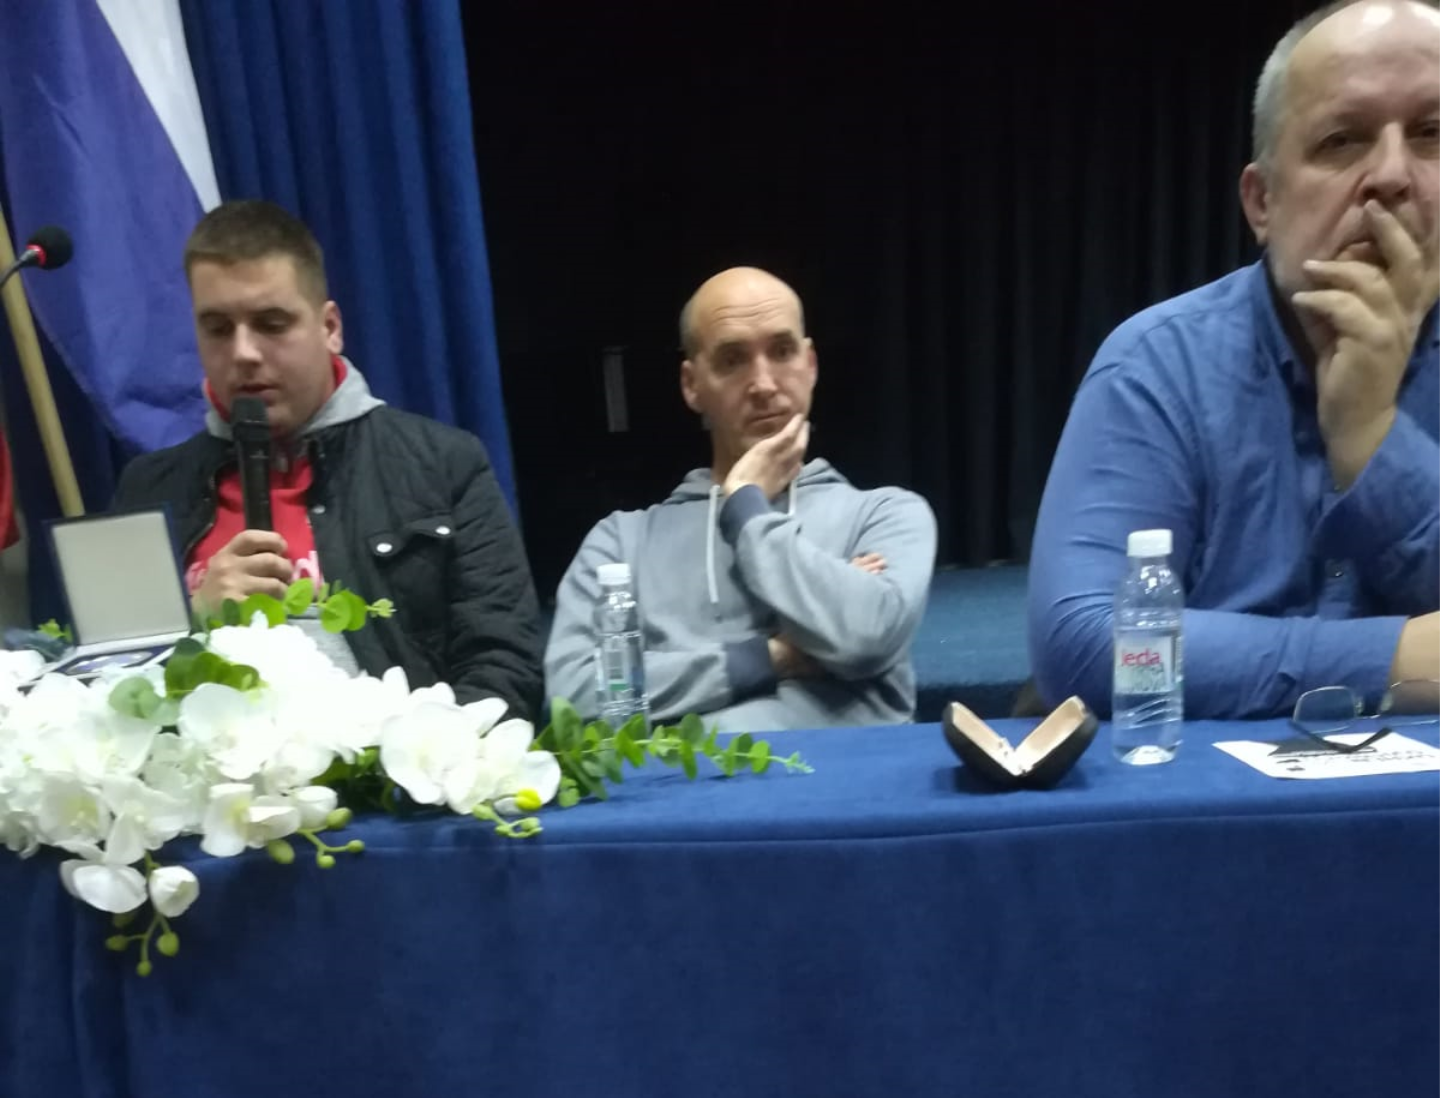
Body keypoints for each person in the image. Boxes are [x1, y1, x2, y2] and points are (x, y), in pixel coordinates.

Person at [1029, 0, 1440, 719]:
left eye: (1432, 134)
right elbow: (1086, 641)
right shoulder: (1157, 364)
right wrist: (1397, 658)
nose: (1391, 176)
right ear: (1262, 202)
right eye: (1342, 140)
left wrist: (1371, 433)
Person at [113, 201, 543, 721]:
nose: (244, 352)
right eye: (219, 329)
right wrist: (193, 618)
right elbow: (112, 694)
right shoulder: (148, 489)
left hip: (391, 766)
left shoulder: (443, 465)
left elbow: (505, 667)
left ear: (330, 327)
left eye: (272, 324)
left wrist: (408, 755)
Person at [545, 267, 936, 730]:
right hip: (678, 779)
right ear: (692, 385)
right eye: (732, 360)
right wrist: (771, 657)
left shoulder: (886, 514)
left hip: (847, 776)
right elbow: (573, 696)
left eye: (782, 351)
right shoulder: (621, 542)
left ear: (810, 365)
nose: (764, 384)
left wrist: (747, 510)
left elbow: (866, 636)